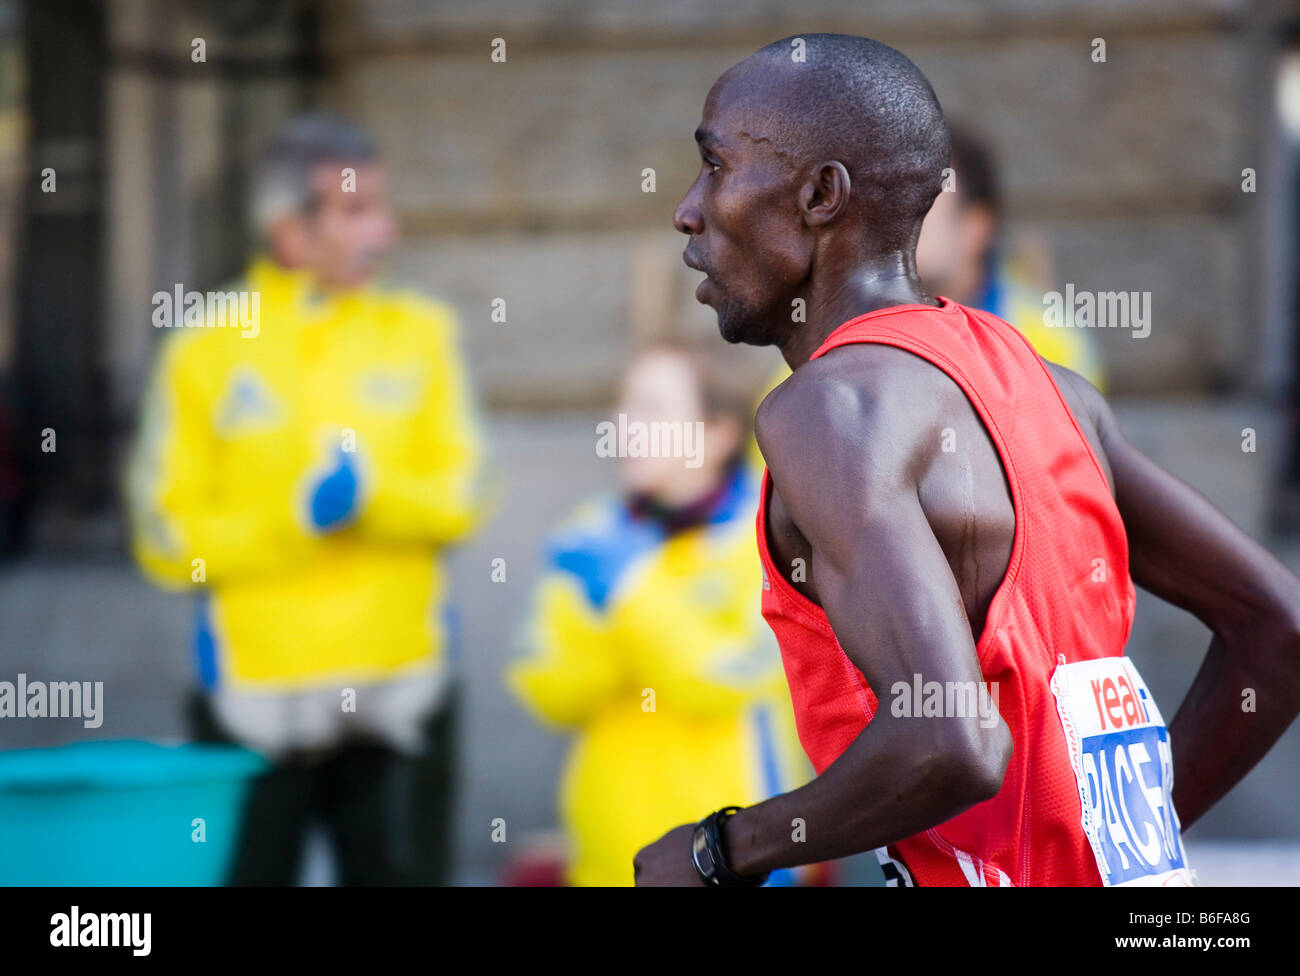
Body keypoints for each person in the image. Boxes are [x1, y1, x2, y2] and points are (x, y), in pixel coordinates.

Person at [634, 34, 1300, 887]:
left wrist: (720, 850)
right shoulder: (1051, 385)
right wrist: (1117, 848)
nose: (688, 210)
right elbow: (1277, 630)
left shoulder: (831, 409)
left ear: (820, 196)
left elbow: (952, 739)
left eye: (715, 168)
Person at [126, 113, 486, 885]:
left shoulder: (421, 332)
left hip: (401, 698)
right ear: (289, 230)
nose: (383, 230)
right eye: (357, 211)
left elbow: (468, 492)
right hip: (256, 702)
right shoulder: (205, 349)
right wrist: (288, 523)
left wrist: (377, 498)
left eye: (383, 206)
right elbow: (163, 535)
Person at [509, 342, 809, 886]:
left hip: (736, 859)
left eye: (650, 409)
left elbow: (726, 678)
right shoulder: (593, 530)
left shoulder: (766, 540)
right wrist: (634, 632)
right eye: (623, 407)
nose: (624, 425)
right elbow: (545, 688)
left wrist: (629, 596)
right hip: (607, 858)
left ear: (717, 433)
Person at [916, 123, 1104, 388]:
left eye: (925, 206)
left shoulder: (1046, 340)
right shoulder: (860, 321)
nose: (901, 219)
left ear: (976, 226)